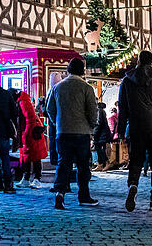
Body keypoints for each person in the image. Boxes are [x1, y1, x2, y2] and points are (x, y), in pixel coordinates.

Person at [118, 50, 152, 212]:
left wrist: (121, 129)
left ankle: (133, 185)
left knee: (136, 161)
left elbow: (123, 107)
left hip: (135, 127)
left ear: (138, 61)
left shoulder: (127, 81)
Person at [46, 57, 99, 210]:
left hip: (63, 132)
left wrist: (58, 123)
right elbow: (92, 112)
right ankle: (83, 196)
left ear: (68, 70)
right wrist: (92, 127)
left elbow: (50, 109)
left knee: (63, 164)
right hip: (82, 133)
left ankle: (60, 193)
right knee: (83, 166)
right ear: (82, 71)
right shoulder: (87, 88)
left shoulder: (57, 87)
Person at [14, 90, 47, 188]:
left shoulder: (23, 101)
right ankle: (27, 178)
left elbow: (30, 118)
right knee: (28, 156)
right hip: (29, 132)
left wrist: (27, 133)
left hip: (31, 133)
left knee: (35, 156)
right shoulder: (23, 100)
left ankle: (36, 179)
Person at [92, 102, 112, 171]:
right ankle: (100, 164)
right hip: (101, 133)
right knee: (98, 148)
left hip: (101, 134)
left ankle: (107, 162)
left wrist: (94, 133)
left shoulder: (99, 110)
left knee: (100, 149)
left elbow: (99, 123)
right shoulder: (100, 110)